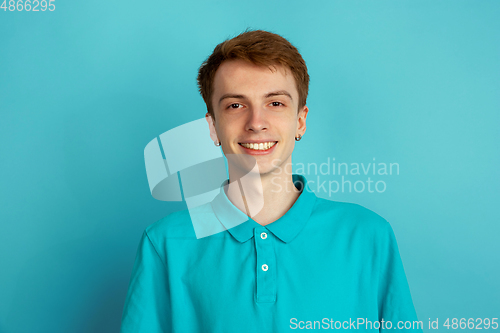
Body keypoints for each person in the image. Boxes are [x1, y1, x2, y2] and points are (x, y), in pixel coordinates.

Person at [120, 29, 422, 332]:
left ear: (300, 121)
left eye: (275, 103)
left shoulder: (368, 235)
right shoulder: (165, 244)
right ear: (212, 127)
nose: (256, 123)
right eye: (235, 105)